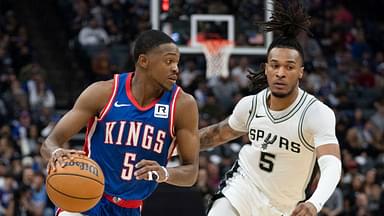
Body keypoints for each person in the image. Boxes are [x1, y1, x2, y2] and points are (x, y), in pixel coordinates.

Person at [199, 1, 342, 216]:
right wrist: (173, 145)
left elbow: (331, 165)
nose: (281, 73)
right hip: (242, 191)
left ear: (301, 72)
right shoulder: (250, 105)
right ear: (266, 69)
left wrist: (315, 202)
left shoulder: (316, 113)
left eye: (289, 67)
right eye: (275, 65)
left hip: (284, 207)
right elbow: (216, 134)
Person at [40, 29, 200, 216]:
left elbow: (191, 173)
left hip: (130, 208)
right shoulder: (104, 92)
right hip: (86, 197)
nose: (176, 69)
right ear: (143, 61)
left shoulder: (182, 105)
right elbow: (49, 143)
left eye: (177, 63)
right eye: (169, 61)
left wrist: (164, 173)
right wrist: (56, 153)